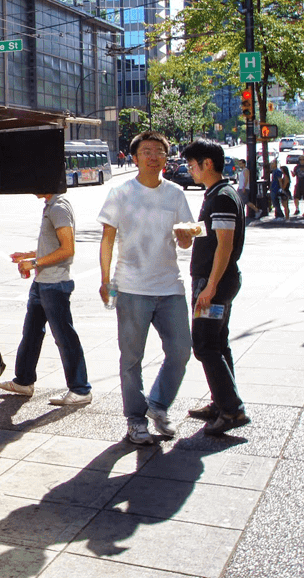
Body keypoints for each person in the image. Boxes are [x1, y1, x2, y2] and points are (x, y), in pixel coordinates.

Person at [97, 131, 195, 445]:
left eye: (158, 151)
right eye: (146, 151)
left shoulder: (176, 193)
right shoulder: (121, 193)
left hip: (170, 286)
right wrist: (104, 280)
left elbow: (186, 234)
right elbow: (108, 239)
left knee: (180, 351)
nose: (153, 156)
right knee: (131, 359)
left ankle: (158, 405)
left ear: (167, 158)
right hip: (131, 287)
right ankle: (135, 420)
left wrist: (186, 237)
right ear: (135, 157)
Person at [182, 140, 251, 436]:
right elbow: (214, 234)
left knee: (205, 345)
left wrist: (209, 287)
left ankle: (232, 409)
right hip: (217, 281)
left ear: (207, 164)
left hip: (215, 282)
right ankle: (221, 402)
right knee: (218, 343)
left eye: (192, 164)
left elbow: (224, 244)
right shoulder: (218, 194)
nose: (189, 169)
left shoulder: (221, 196)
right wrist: (192, 231)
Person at [0, 187, 91, 406]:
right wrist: (30, 255)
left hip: (55, 284)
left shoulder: (58, 207)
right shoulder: (51, 206)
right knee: (31, 333)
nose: (30, 186)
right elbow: (53, 246)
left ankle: (80, 389)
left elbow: (67, 249)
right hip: (42, 283)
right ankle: (23, 381)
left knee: (65, 337)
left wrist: (34, 263)